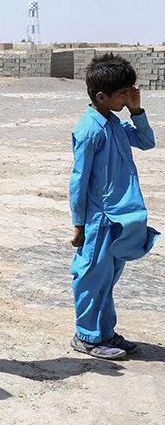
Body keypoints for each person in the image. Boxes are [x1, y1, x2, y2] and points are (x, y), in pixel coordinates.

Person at [68, 54, 157, 359]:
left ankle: (105, 332)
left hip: (121, 218)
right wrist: (79, 225)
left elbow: (146, 141)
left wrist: (136, 110)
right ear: (102, 96)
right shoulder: (88, 130)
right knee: (90, 277)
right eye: (123, 93)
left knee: (107, 280)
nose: (127, 97)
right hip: (99, 220)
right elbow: (78, 181)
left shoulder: (115, 123)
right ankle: (86, 336)